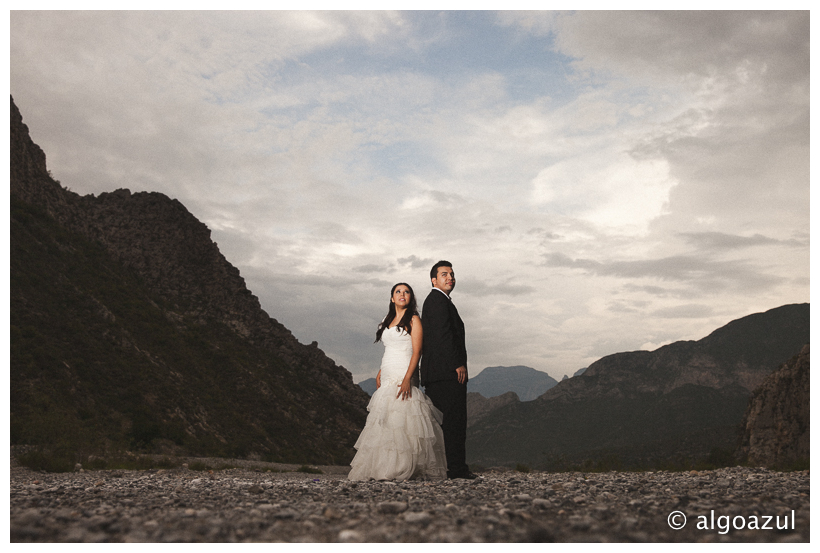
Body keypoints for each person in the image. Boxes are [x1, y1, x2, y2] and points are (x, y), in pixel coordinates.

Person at [348, 283, 447, 481]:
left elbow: (417, 351)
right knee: (387, 419)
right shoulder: (387, 320)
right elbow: (389, 348)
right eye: (398, 292)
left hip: (405, 371)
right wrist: (380, 371)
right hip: (387, 371)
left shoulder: (414, 319)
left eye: (407, 291)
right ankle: (382, 466)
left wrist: (407, 378)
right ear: (392, 298)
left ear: (411, 297)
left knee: (404, 416)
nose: (402, 294)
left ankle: (403, 466)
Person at [420, 260, 476, 479]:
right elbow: (443, 336)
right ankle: (456, 469)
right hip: (446, 373)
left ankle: (448, 468)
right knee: (454, 422)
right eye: (444, 274)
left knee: (445, 423)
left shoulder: (439, 301)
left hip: (439, 373)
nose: (450, 277)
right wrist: (457, 364)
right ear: (434, 280)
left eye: (452, 274)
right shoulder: (437, 300)